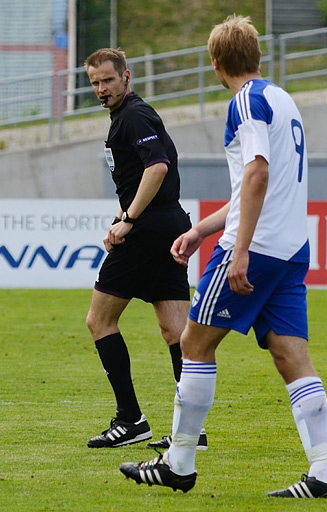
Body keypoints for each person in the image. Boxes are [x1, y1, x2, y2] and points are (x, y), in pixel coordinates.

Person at [120, 16, 327, 497]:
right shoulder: (281, 98)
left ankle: (178, 462)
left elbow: (257, 173)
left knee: (194, 344)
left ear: (216, 63)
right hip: (289, 249)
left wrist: (237, 250)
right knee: (290, 356)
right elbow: (254, 183)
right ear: (257, 56)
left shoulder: (245, 100)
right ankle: (324, 472)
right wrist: (201, 228)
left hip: (255, 248)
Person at [84, 47, 207, 450]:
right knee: (176, 330)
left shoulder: (134, 115)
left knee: (99, 321)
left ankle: (130, 419)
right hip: (168, 225)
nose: (102, 89)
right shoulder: (127, 117)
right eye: (95, 83)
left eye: (108, 80)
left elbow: (157, 168)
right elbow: (143, 174)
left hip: (150, 231)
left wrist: (131, 220)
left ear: (127, 77)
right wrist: (123, 215)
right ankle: (191, 430)